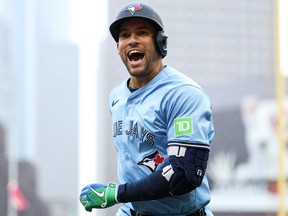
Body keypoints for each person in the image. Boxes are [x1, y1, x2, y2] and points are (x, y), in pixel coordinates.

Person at [79, 3, 215, 216]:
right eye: (125, 35)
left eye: (141, 32)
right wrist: (122, 199)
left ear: (160, 43)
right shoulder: (117, 97)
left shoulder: (183, 94)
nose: (132, 39)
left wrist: (116, 194)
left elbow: (183, 175)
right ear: (118, 47)